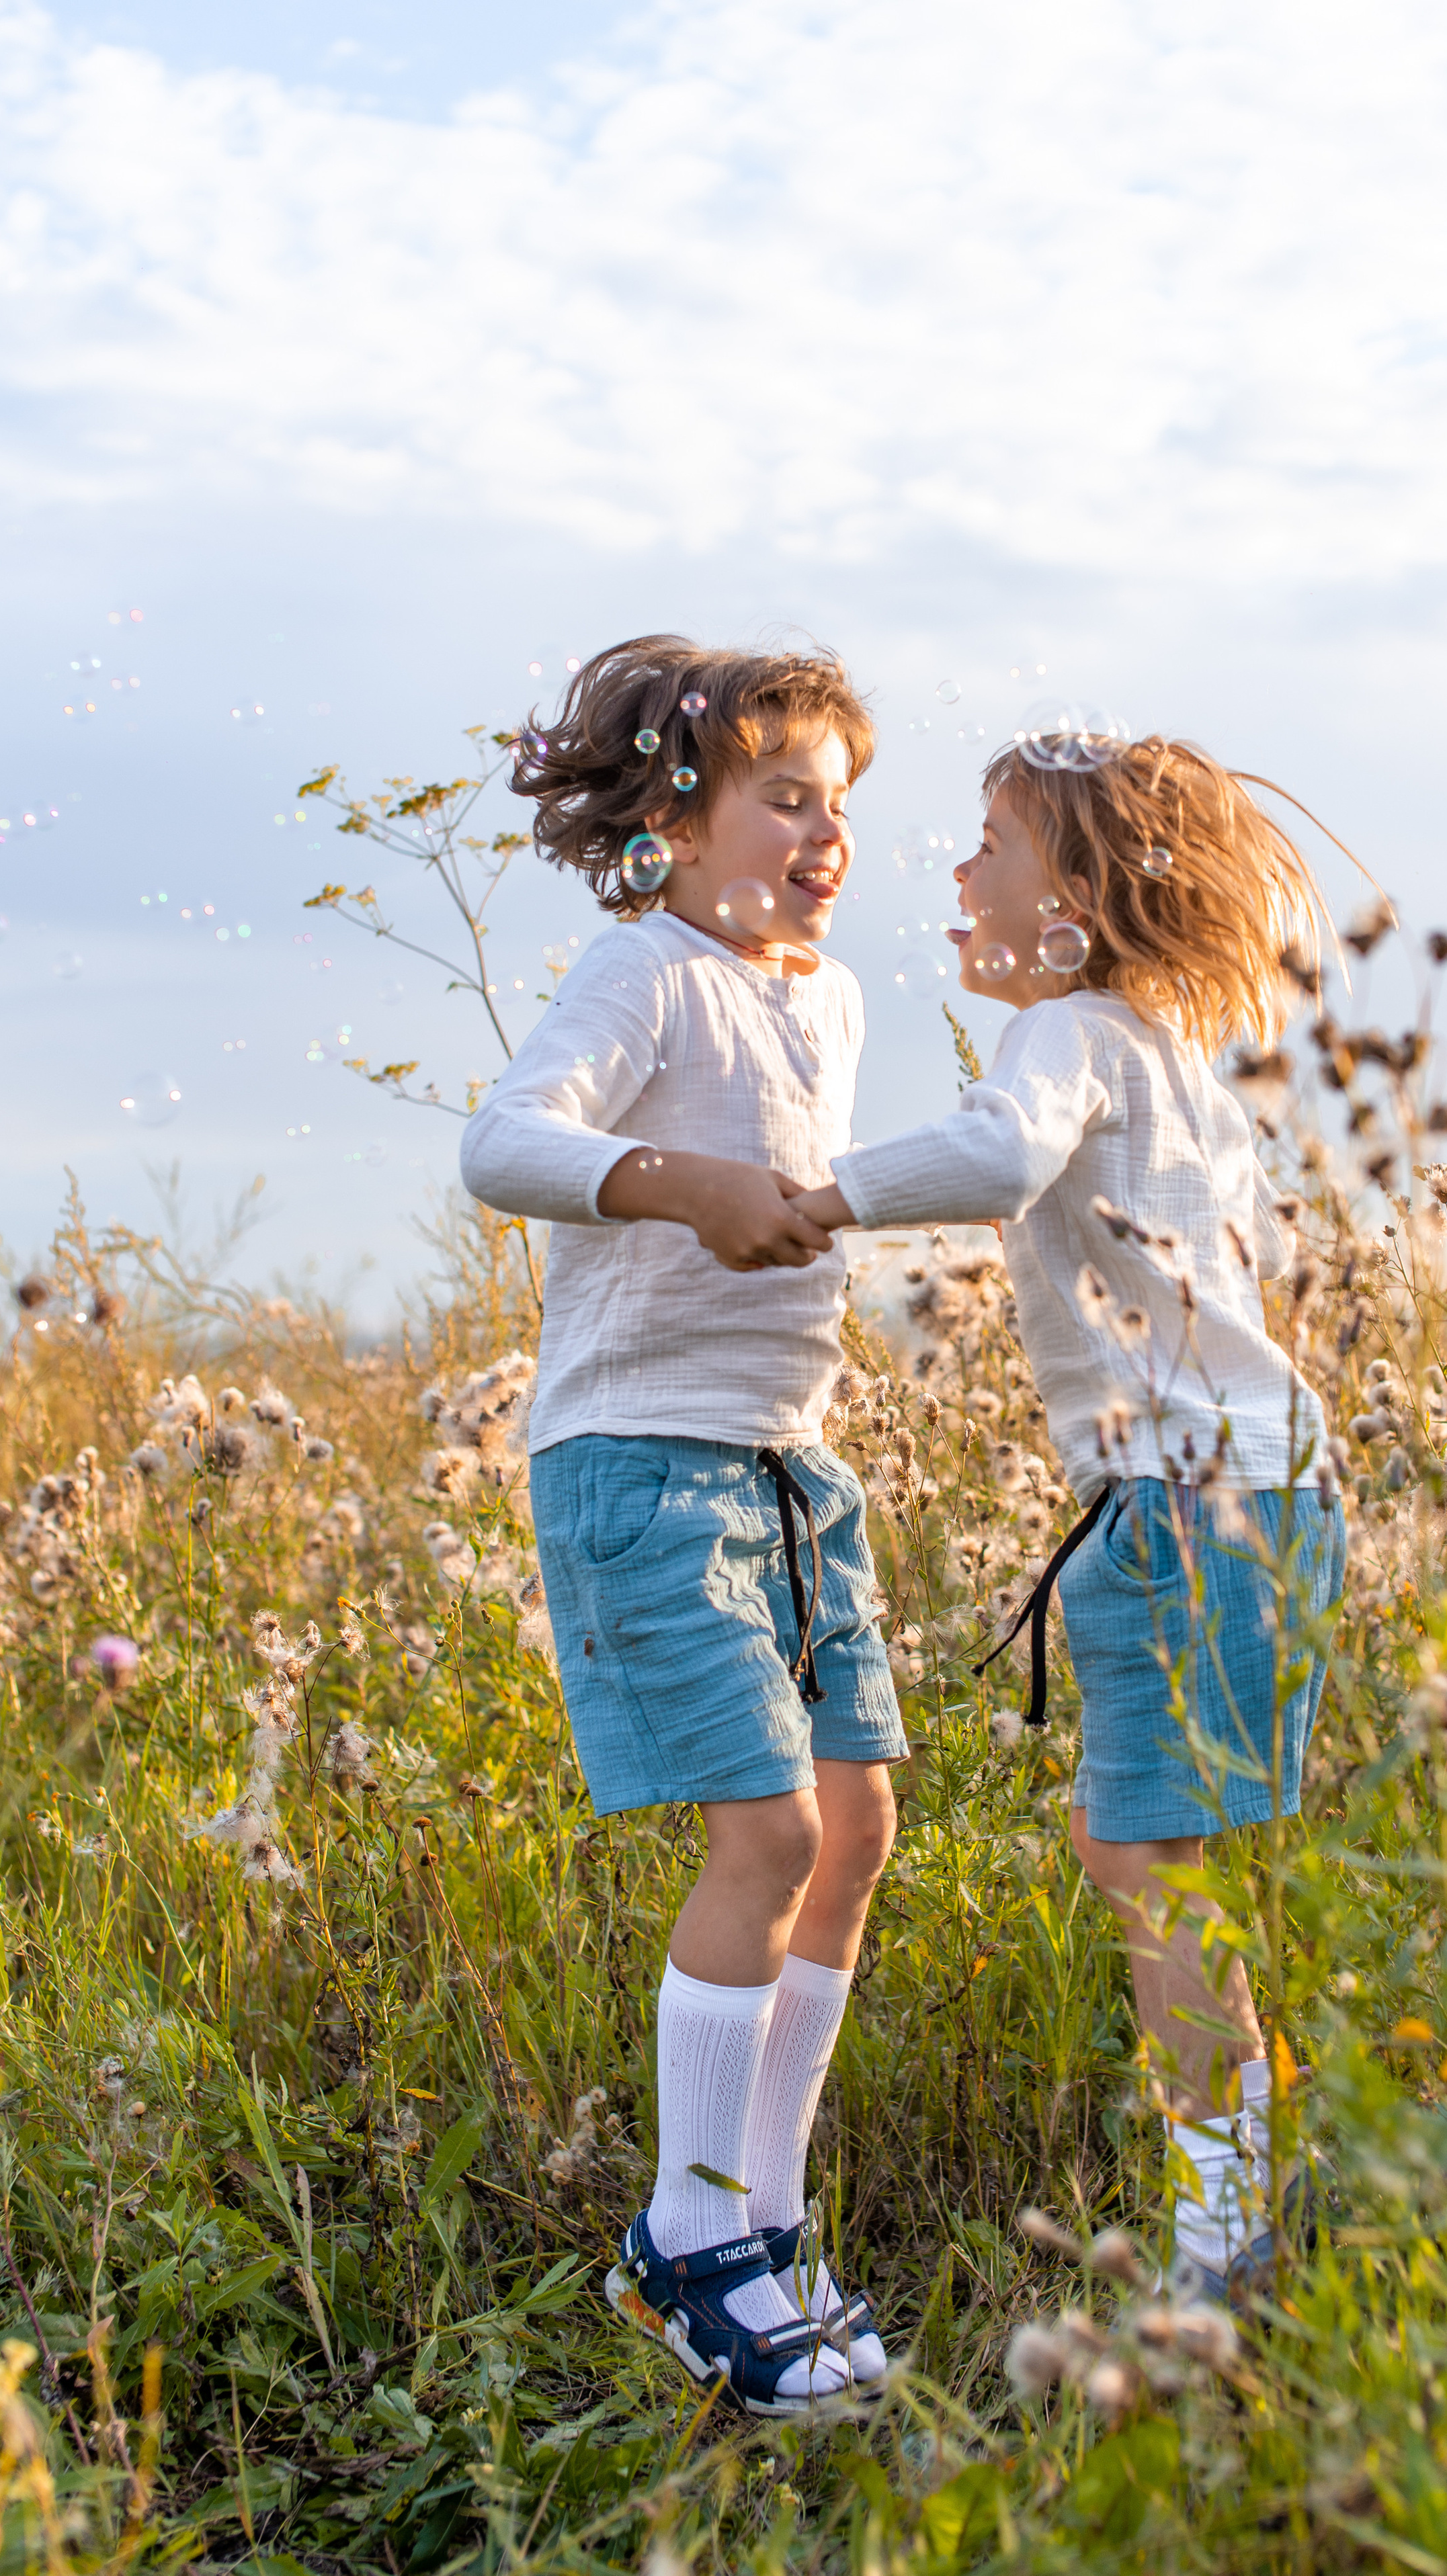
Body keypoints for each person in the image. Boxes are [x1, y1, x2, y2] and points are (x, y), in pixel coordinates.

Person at [790, 729, 1348, 2307]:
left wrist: (814, 1195)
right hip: (1253, 1486)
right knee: (1173, 1860)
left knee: (1143, 1857)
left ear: (1078, 897)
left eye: (987, 843)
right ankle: (1247, 2189)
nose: (954, 873)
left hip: (1180, 1497)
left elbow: (989, 1155)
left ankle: (1225, 2239)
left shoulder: (1072, 1033)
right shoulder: (1162, 1051)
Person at [460, 636, 905, 2413]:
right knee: (770, 1830)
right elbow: (504, 1144)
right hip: (640, 1456)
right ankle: (694, 2241)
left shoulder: (836, 998)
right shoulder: (642, 971)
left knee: (856, 1829)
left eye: (842, 804)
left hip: (792, 1463)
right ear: (668, 824)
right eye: (786, 796)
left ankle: (764, 2226)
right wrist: (681, 1184)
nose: (825, 833)